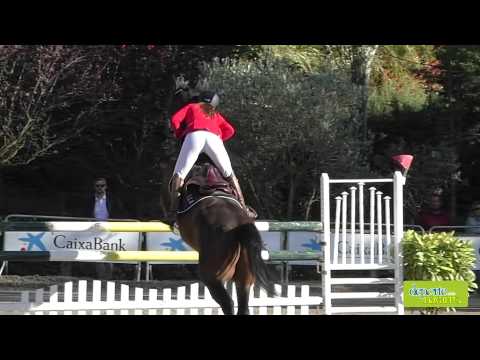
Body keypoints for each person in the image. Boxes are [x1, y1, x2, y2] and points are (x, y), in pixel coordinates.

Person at [167, 90, 256, 223]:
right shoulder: (215, 114)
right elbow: (230, 130)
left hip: (194, 136)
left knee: (179, 175)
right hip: (214, 139)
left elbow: (174, 120)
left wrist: (181, 134)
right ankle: (243, 208)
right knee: (229, 174)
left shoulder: (192, 106)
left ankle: (173, 212)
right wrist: (220, 138)